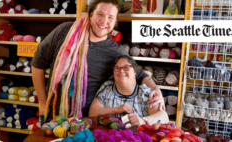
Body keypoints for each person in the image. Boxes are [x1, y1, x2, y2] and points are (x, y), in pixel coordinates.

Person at [31, 0, 164, 122]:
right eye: (100, 14)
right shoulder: (65, 32)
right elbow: (38, 63)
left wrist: (157, 90)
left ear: (115, 22)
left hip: (89, 121)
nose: (104, 21)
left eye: (110, 17)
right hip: (53, 115)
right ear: (90, 14)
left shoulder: (116, 52)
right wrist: (42, 103)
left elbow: (139, 74)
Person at [89, 55, 169, 126]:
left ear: (135, 71)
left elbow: (164, 117)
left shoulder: (145, 92)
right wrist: (116, 109)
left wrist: (143, 121)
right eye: (117, 68)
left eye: (126, 67)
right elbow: (92, 113)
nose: (121, 71)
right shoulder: (106, 89)